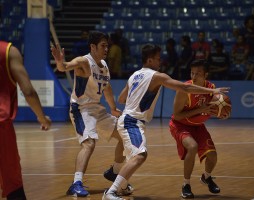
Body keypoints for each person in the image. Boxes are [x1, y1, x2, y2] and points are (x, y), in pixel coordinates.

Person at [102, 44, 229, 200]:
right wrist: (212, 91)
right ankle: (111, 192)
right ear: (149, 60)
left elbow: (122, 99)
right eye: (157, 58)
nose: (160, 61)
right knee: (140, 156)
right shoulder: (157, 76)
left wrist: (140, 96)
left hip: (128, 119)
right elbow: (185, 88)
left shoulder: (134, 75)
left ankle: (119, 184)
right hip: (132, 122)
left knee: (134, 157)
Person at [51, 31, 132, 197]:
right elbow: (64, 66)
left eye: (107, 45)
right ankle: (76, 183)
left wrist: (113, 108)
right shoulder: (83, 61)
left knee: (125, 135)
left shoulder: (104, 65)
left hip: (97, 109)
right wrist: (60, 62)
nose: (106, 48)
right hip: (81, 109)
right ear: (92, 47)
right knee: (89, 144)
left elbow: (107, 88)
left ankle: (114, 172)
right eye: (103, 45)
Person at [169, 59, 228, 198]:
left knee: (213, 156)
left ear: (205, 75)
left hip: (198, 126)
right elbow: (177, 116)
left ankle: (206, 177)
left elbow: (216, 108)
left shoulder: (211, 88)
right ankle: (186, 185)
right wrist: (200, 110)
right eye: (192, 73)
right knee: (193, 146)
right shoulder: (184, 90)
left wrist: (223, 114)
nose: (194, 77)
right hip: (180, 125)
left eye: (198, 74)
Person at [0, 41, 52, 199]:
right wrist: (42, 118)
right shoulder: (8, 51)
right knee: (12, 184)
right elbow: (28, 91)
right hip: (1, 126)